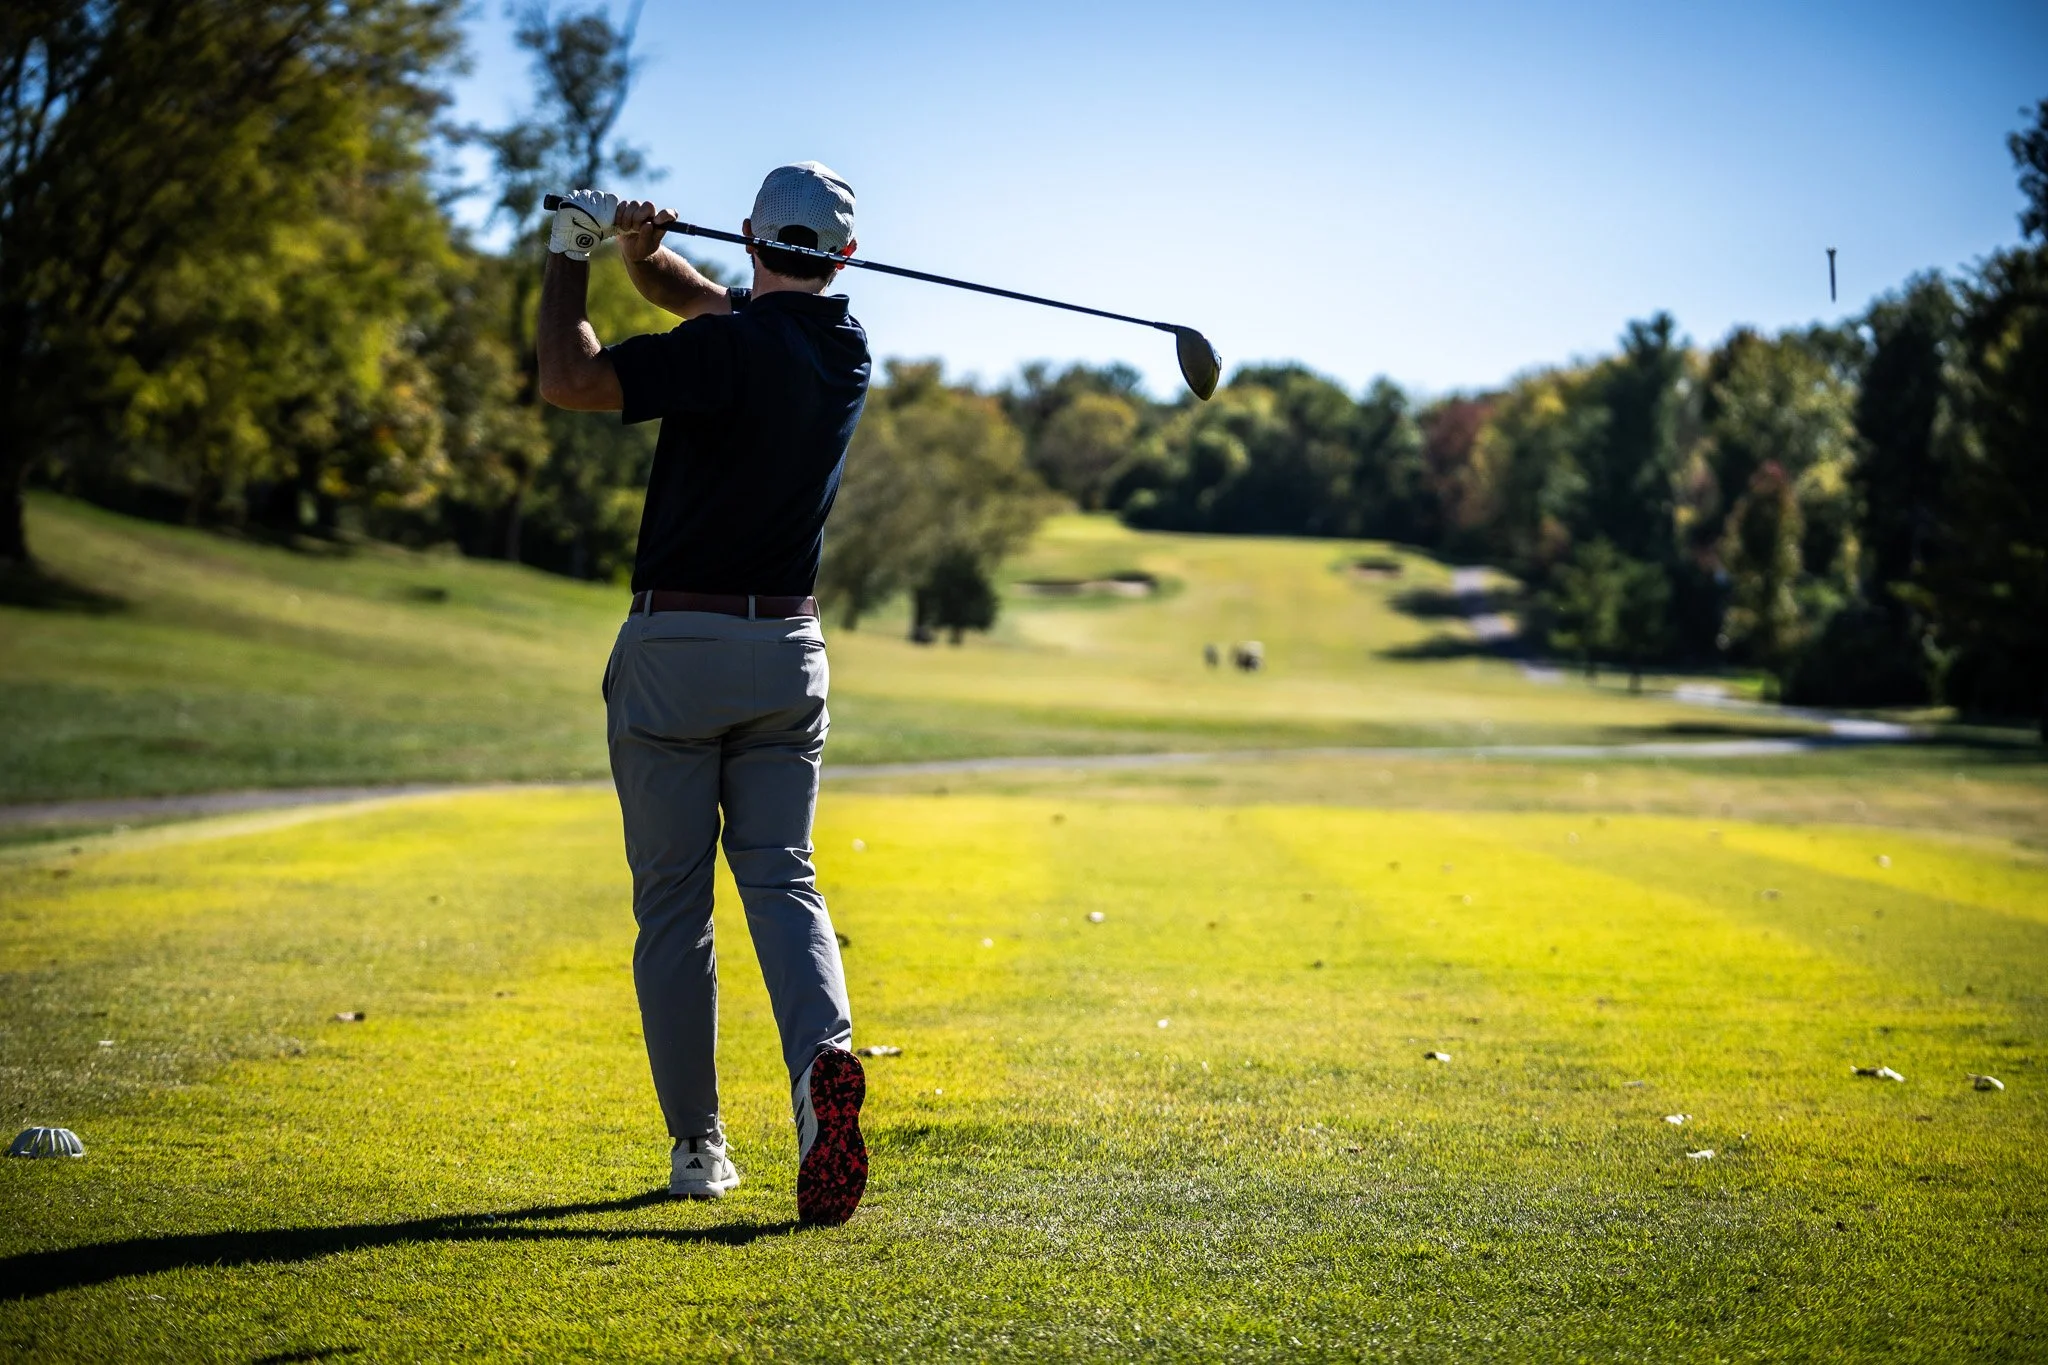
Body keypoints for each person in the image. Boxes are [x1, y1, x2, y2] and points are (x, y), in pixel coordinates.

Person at [533, 165, 870, 1226]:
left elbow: (570, 379)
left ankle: (698, 1146)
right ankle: (822, 1071)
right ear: (844, 258)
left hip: (676, 648)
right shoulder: (844, 350)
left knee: (675, 904)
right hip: (789, 653)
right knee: (783, 877)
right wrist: (641, 255)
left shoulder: (720, 350)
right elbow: (705, 300)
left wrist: (570, 252)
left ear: (751, 235)